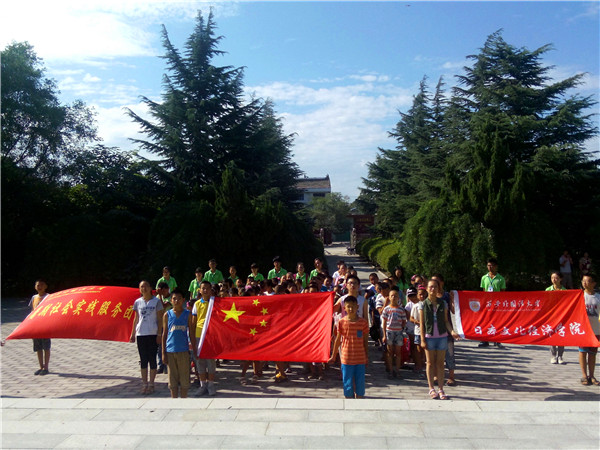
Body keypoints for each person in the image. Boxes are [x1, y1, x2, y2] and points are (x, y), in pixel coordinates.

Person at [420, 279, 459, 400]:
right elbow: (422, 324)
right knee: (430, 363)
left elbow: (446, 321)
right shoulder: (423, 304)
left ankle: (441, 389)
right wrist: (422, 339)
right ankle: (431, 388)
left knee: (440, 363)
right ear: (427, 289)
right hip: (429, 337)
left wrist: (452, 331)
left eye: (435, 287)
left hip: (442, 336)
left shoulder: (443, 303)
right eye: (431, 287)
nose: (433, 289)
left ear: (438, 289)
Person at [328, 296, 369, 399]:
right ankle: (349, 398)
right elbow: (338, 340)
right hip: (346, 357)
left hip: (360, 358)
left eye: (353, 306)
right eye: (348, 307)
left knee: (360, 381)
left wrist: (366, 356)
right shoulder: (341, 322)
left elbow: (365, 341)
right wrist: (333, 356)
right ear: (344, 308)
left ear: (357, 307)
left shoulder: (363, 323)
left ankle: (359, 397)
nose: (351, 309)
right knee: (347, 380)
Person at [130, 280, 164, 394]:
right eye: (141, 287)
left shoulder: (156, 301)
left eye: (145, 286)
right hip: (141, 333)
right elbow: (136, 318)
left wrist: (159, 334)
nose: (144, 289)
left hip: (153, 333)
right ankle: (144, 383)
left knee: (152, 359)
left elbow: (160, 319)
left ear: (150, 288)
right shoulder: (138, 302)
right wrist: (133, 333)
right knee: (143, 359)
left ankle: (151, 383)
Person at [161, 288, 192, 398]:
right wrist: (163, 352)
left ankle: (183, 400)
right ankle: (174, 401)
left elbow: (191, 333)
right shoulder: (167, 315)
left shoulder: (188, 314)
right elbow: (164, 334)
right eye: (174, 299)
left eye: (179, 299)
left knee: (184, 378)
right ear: (171, 300)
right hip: (170, 350)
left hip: (183, 350)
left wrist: (194, 349)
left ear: (183, 300)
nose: (176, 301)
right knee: (172, 379)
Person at [190, 280, 217, 396]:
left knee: (210, 361)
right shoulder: (196, 304)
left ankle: (211, 384)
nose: (205, 290)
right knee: (199, 360)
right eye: (203, 288)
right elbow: (193, 322)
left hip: (211, 335)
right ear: (199, 290)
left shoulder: (215, 302)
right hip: (198, 335)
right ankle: (203, 385)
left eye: (207, 288)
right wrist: (192, 338)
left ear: (211, 290)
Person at [431, 273, 457, 386]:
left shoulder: (446, 296)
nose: (435, 284)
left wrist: (452, 299)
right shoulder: (429, 297)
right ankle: (436, 375)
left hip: (447, 329)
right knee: (435, 355)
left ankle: (451, 376)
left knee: (449, 354)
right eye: (433, 282)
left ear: (442, 283)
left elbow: (454, 311)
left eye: (437, 281)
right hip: (434, 331)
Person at [479, 257, 506, 348]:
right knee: (485, 321)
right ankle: (485, 340)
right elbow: (483, 291)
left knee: (497, 322)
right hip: (487, 304)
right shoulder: (484, 278)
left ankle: (497, 340)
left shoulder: (500, 278)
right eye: (488, 265)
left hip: (497, 304)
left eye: (492, 266)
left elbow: (503, 292)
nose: (490, 267)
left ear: (496, 266)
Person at [381, 287, 407, 379]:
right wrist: (384, 335)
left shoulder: (401, 309)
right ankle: (391, 370)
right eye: (392, 296)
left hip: (398, 332)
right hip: (389, 332)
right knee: (390, 352)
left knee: (398, 352)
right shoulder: (386, 309)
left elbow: (404, 321)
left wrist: (401, 329)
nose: (394, 297)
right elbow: (384, 322)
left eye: (395, 296)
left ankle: (397, 370)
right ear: (389, 297)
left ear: (398, 298)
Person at [579, 274, 600, 386]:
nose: (585, 283)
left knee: (592, 353)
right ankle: (584, 375)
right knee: (582, 352)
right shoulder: (579, 296)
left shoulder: (598, 297)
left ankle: (592, 376)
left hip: (596, 329)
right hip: (583, 330)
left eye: (587, 281)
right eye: (583, 281)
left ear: (593, 283)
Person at [30, 279, 51, 376]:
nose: (40, 287)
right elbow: (32, 311)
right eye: (38, 285)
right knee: (38, 347)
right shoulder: (34, 297)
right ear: (35, 287)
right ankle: (41, 366)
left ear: (46, 286)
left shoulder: (49, 297)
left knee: (46, 347)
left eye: (42, 285)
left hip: (45, 325)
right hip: (35, 326)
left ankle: (46, 367)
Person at [546, 271, 567, 365]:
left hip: (562, 315)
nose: (554, 280)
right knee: (552, 335)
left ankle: (560, 356)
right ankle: (553, 356)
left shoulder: (565, 290)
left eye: (556, 278)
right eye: (552, 278)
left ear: (560, 279)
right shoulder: (548, 290)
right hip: (552, 316)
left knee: (561, 336)